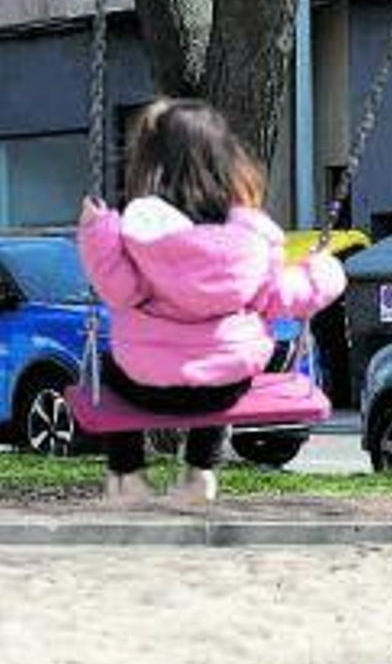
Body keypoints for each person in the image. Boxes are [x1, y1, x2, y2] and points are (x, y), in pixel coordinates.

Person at [78, 98, 347, 506]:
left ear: (153, 162)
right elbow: (284, 296)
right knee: (220, 358)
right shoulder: (250, 238)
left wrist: (97, 232)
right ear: (224, 157)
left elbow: (119, 291)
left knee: (110, 369)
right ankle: (200, 473)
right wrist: (323, 270)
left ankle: (127, 474)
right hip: (225, 387)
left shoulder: (140, 232)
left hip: (145, 386)